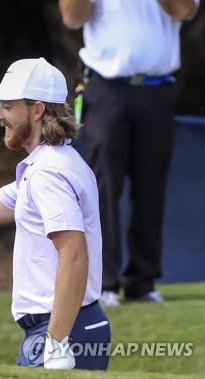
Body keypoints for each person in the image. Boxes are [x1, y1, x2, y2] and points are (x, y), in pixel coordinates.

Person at [0, 58, 110, 370]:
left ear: (36, 110)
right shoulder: (53, 163)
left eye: (7, 106)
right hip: (71, 325)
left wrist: (57, 341)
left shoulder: (48, 173)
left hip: (61, 330)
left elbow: (74, 254)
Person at [59, 0, 200, 307]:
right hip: (106, 87)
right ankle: (104, 283)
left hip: (158, 88)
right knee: (103, 188)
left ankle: (142, 282)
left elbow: (184, 11)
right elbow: (71, 17)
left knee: (151, 187)